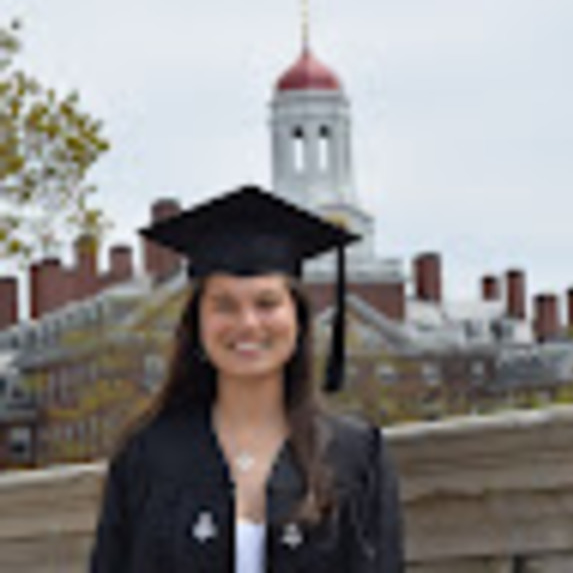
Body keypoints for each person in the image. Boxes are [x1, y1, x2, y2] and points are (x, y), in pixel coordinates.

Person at [90, 185, 404, 572]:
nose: (248, 323)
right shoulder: (147, 456)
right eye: (224, 305)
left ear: (298, 319)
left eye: (266, 303)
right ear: (197, 323)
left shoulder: (355, 456)